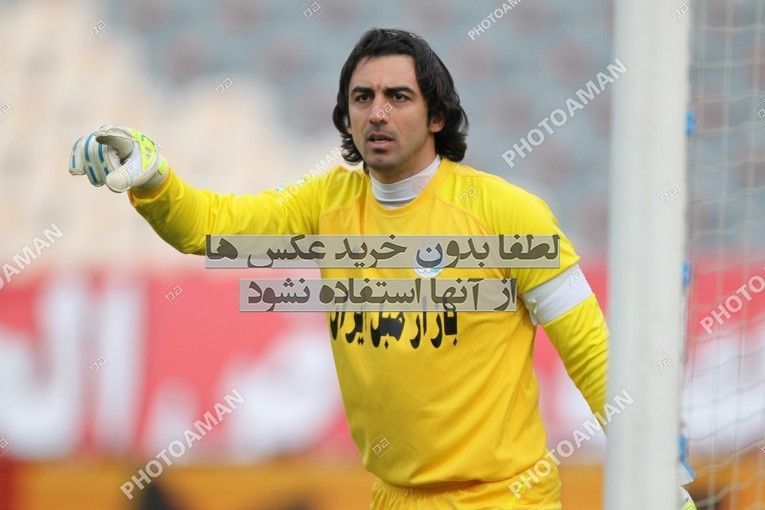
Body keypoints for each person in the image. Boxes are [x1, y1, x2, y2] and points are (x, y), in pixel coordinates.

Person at [69, 28, 694, 510]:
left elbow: (595, 358)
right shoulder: (325, 205)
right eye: (362, 98)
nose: (377, 113)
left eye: (398, 97)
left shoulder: (510, 215)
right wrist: (154, 179)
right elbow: (213, 230)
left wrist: (661, 477)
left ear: (437, 115)